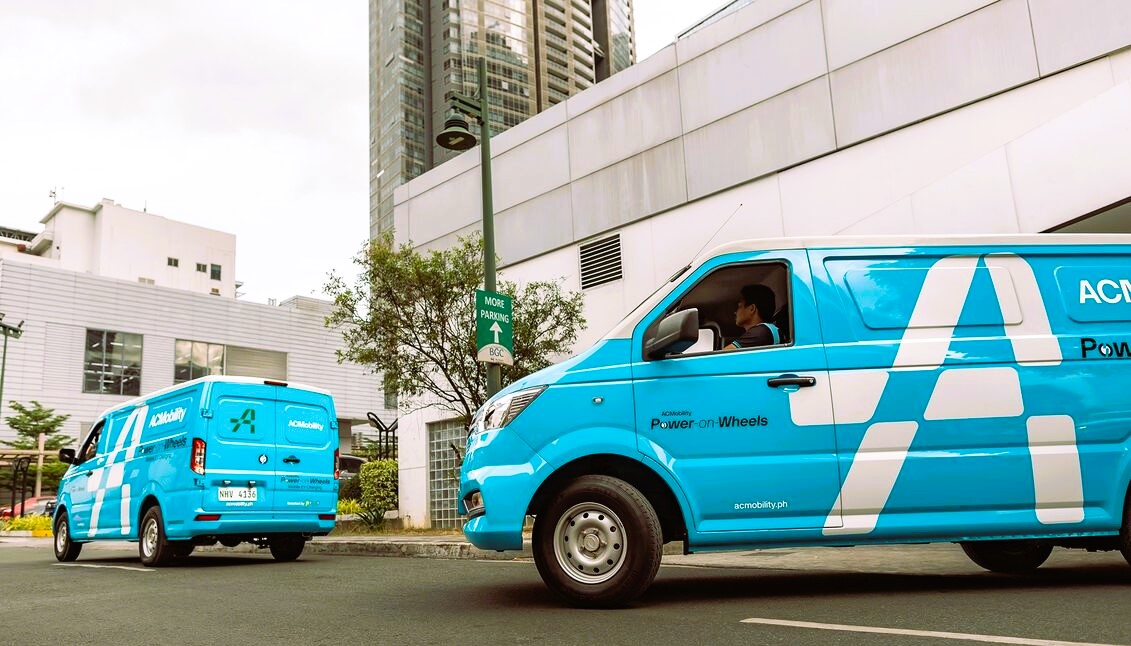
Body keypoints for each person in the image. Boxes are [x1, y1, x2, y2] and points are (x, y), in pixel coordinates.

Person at [723, 284, 780, 351]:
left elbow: (722, 355)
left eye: (739, 306)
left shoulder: (761, 332)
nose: (735, 312)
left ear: (752, 309)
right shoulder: (766, 330)